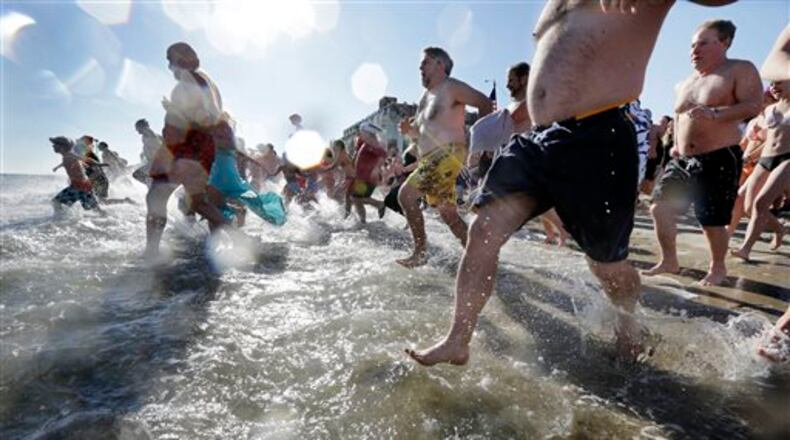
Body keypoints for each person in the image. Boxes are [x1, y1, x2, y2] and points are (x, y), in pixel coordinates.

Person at [406, 0, 738, 367]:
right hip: (536, 137)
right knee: (482, 230)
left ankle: (628, 327)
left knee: (606, 265)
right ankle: (458, 339)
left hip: (597, 134)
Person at [644, 19, 762, 286]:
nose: (694, 50)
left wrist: (715, 113)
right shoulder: (685, 83)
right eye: (692, 45)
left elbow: (753, 105)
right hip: (681, 159)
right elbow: (679, 116)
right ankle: (669, 261)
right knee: (659, 207)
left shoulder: (738, 69)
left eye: (703, 43)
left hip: (718, 156)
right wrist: (673, 143)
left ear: (725, 43)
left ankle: (718, 268)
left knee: (710, 220)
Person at [397, 46, 493, 267]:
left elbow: (484, 103)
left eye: (425, 62)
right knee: (448, 214)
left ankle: (420, 253)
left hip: (448, 153)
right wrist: (408, 131)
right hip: (432, 157)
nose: (420, 67)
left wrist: (481, 145)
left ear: (440, 64)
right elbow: (420, 136)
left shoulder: (451, 87)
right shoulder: (424, 99)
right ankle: (481, 254)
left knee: (406, 196)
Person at [143, 42, 233, 259]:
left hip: (184, 147)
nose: (168, 66)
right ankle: (238, 236)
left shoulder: (188, 77)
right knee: (198, 201)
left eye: (169, 60)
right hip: (199, 146)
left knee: (156, 197)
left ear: (180, 59)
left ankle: (151, 254)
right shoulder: (205, 80)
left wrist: (174, 110)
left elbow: (205, 116)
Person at [469, 62, 568, 245]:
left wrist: (491, 126)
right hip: (515, 160)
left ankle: (562, 231)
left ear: (524, 79)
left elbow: (515, 120)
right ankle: (558, 232)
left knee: (527, 202)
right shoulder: (517, 103)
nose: (507, 85)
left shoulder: (533, 100)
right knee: (534, 202)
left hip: (529, 160)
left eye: (511, 80)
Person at [730, 26, 790, 261]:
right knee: (744, 202)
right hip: (765, 159)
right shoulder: (772, 109)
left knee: (761, 202)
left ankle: (745, 249)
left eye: (779, 82)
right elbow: (761, 138)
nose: (774, 86)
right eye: (772, 83)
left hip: (787, 159)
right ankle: (777, 228)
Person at [346, 122, 387, 223]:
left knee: (357, 198)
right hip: (361, 177)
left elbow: (383, 154)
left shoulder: (372, 142)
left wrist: (377, 168)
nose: (360, 134)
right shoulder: (365, 142)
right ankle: (363, 221)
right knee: (356, 199)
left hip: (367, 178)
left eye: (362, 132)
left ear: (368, 133)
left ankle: (379, 204)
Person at [50, 136, 102, 214]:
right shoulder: (67, 156)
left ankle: (59, 220)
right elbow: (68, 162)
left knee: (55, 202)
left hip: (79, 187)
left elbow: (82, 158)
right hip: (85, 186)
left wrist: (97, 163)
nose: (53, 146)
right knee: (96, 210)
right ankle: (110, 220)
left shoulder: (69, 155)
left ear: (62, 146)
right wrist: (58, 167)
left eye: (55, 144)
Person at [132, 119, 163, 186]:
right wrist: (143, 153)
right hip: (153, 162)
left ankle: (154, 188)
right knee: (143, 176)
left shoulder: (149, 133)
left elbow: (152, 136)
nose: (137, 131)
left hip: (157, 162)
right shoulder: (145, 137)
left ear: (142, 127)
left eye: (137, 128)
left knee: (137, 175)